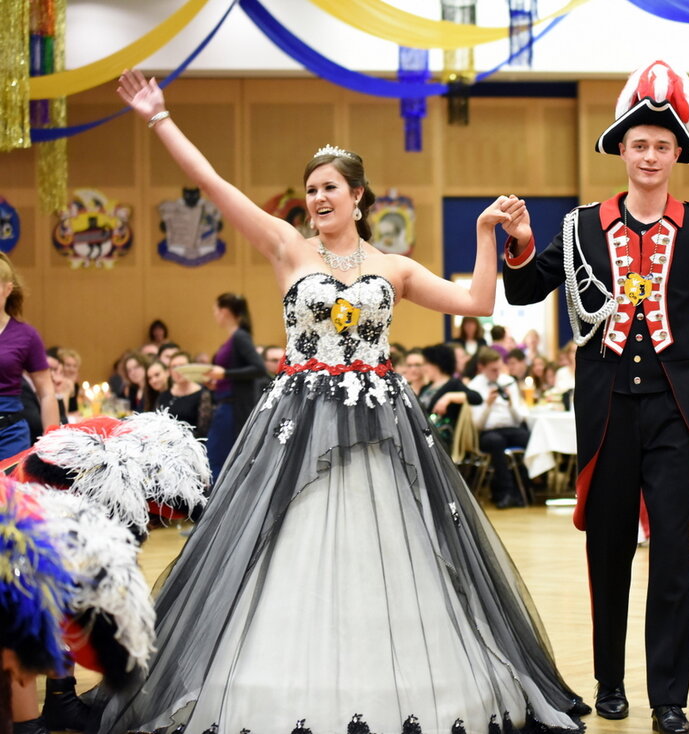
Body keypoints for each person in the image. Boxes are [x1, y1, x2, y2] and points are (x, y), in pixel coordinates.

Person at [99, 69, 586, 734]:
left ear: (357, 197)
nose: (317, 198)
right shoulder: (288, 248)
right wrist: (159, 117)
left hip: (379, 419)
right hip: (298, 419)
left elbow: (475, 302)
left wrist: (481, 236)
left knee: (387, 544)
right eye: (310, 190)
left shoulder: (397, 268)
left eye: (330, 188)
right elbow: (215, 184)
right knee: (286, 545)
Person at [502, 61, 689, 734]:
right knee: (608, 545)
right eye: (639, 143)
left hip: (674, 409)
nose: (649, 155)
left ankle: (669, 697)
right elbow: (525, 291)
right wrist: (523, 243)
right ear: (621, 149)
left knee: (672, 549)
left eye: (662, 145)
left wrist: (688, 343)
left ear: (678, 154)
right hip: (607, 404)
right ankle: (609, 680)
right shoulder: (584, 225)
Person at [202, 292, 268, 482]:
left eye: (215, 310)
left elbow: (258, 368)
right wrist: (218, 382)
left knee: (217, 458)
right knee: (217, 457)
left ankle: (217, 505)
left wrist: (224, 374)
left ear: (224, 311)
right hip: (226, 404)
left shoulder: (240, 337)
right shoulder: (235, 338)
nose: (214, 315)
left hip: (233, 408)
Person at [0, 253, 56, 462]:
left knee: (10, 494)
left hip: (10, 434)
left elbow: (46, 392)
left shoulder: (26, 335)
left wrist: (52, 443)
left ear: (8, 289)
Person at [468, 348, 530, 509]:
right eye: (492, 370)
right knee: (496, 443)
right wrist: (487, 404)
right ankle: (504, 492)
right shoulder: (474, 386)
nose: (497, 373)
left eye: (499, 368)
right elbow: (477, 425)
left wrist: (510, 403)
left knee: (528, 437)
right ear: (481, 368)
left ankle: (525, 490)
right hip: (489, 432)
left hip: (510, 427)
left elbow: (519, 419)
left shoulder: (508, 381)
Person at [157, 352, 213, 437]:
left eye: (182, 366)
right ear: (169, 371)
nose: (179, 370)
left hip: (191, 444)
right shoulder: (164, 395)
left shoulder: (202, 395)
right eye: (174, 367)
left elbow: (203, 431)